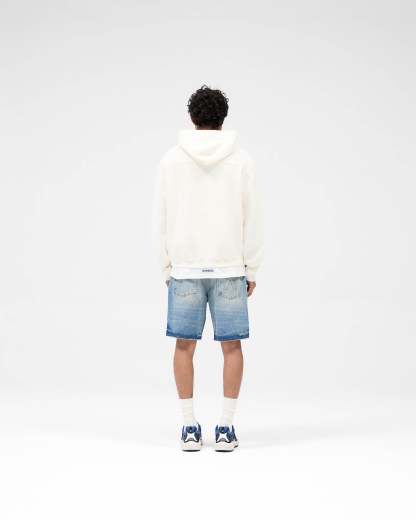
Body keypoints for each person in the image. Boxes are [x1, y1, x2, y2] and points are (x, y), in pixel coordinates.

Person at [152, 85, 263, 451]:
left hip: (185, 268)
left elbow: (160, 218)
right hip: (229, 266)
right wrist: (251, 268)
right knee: (232, 347)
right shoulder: (242, 160)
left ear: (192, 118)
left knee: (184, 346)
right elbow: (252, 218)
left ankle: (188, 427)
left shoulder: (171, 160)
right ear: (223, 119)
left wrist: (166, 266)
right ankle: (226, 428)